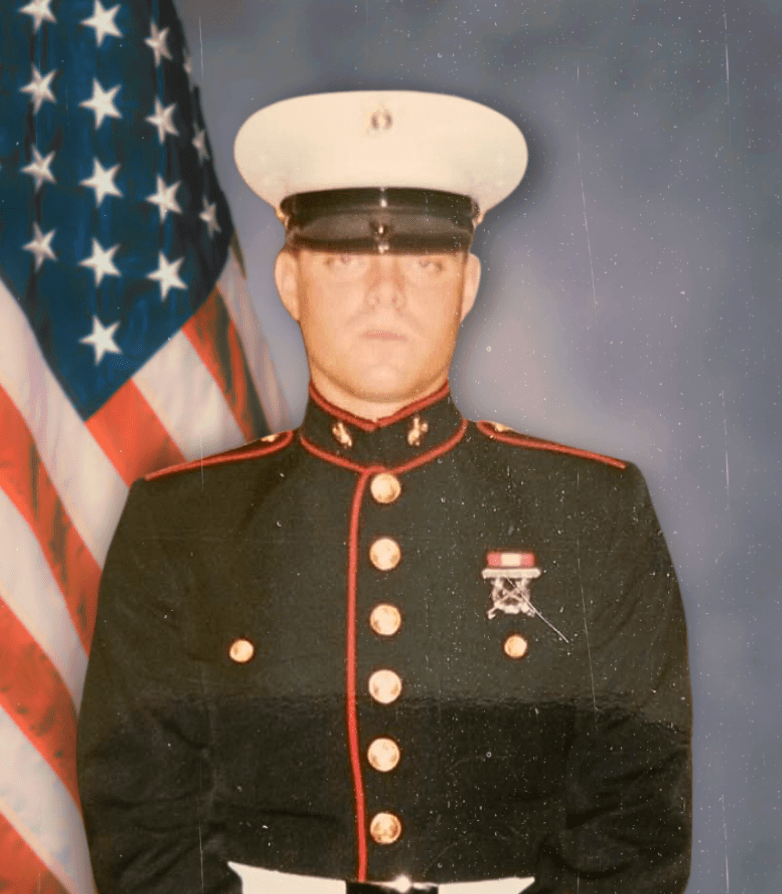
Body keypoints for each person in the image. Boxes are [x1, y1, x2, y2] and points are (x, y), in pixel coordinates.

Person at [77, 91, 692, 894]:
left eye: (424, 262)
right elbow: (141, 824)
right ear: (290, 282)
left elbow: (637, 819)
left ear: (467, 286)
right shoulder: (179, 522)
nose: (384, 293)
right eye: (344, 260)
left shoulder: (593, 513)